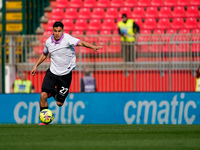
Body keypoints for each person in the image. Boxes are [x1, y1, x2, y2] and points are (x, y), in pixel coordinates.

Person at [30, 21, 102, 125]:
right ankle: (44, 121)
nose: (57, 33)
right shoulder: (48, 42)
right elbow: (44, 54)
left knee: (59, 103)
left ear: (62, 31)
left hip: (65, 75)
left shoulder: (68, 39)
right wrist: (36, 65)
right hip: (52, 73)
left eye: (59, 31)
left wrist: (92, 47)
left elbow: (81, 43)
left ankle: (54, 92)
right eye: (55, 31)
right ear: (53, 31)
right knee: (43, 96)